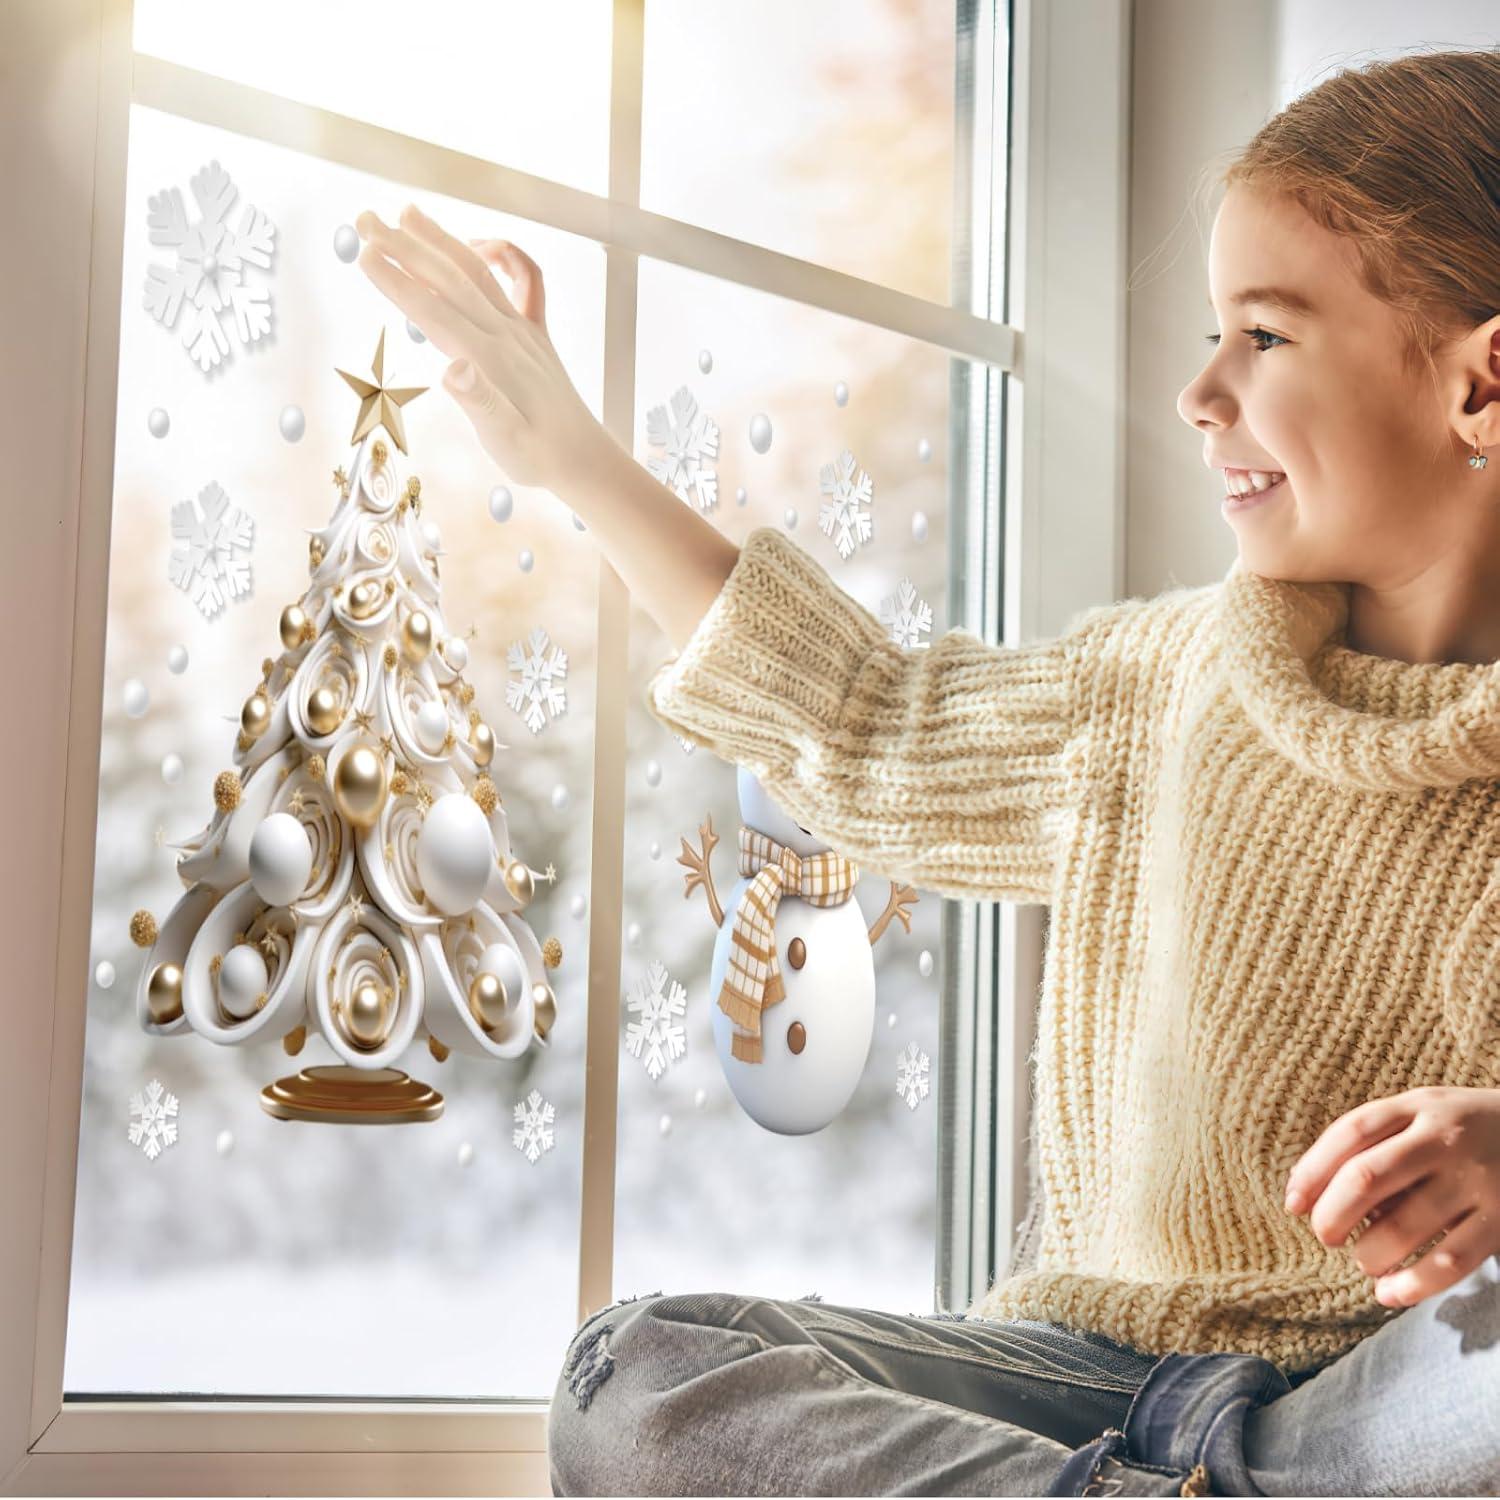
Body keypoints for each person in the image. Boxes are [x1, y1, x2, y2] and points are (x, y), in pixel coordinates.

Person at [354, 44, 1500, 1496]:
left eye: (1265, 336)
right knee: (634, 1376)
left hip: (1388, 1411)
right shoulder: (1159, 688)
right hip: (1068, 1386)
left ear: (1481, 382)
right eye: (1216, 332)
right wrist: (568, 453)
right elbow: (860, 717)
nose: (1200, 390)